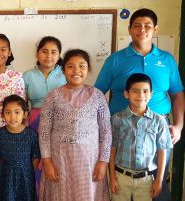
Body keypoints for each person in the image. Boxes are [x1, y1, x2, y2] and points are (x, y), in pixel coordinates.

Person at [95, 8, 184, 201]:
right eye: (137, 25)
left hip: (159, 128)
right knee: (120, 184)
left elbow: (177, 94)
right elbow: (97, 94)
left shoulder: (167, 60)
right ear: (129, 29)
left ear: (155, 30)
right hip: (120, 128)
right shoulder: (115, 60)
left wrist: (178, 126)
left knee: (157, 183)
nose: (142, 30)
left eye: (147, 26)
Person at [39, 49, 112, 201]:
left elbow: (106, 131)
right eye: (71, 66)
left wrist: (103, 161)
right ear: (63, 70)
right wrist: (47, 160)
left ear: (88, 69)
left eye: (82, 66)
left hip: (89, 162)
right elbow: (44, 131)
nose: (76, 71)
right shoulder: (53, 96)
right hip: (60, 160)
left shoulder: (97, 96)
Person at [110, 73, 173, 201]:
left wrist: (159, 180)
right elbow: (112, 149)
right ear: (126, 94)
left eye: (145, 91)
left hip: (146, 180)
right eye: (135, 91)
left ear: (150, 94)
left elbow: (162, 151)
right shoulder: (117, 119)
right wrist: (111, 177)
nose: (141, 95)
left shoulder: (159, 121)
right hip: (121, 177)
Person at [23, 36, 66, 194]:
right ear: (37, 54)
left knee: (57, 158)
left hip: (61, 122)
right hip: (35, 122)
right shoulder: (27, 76)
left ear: (59, 54)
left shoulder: (66, 73)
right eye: (44, 51)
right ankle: (37, 193)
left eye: (54, 52)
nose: (49, 56)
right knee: (37, 160)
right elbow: (23, 103)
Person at [0, 94, 40, 201]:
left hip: (25, 176)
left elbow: (36, 157)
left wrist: (26, 169)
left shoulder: (31, 134)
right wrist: (8, 166)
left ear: (25, 114)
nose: (12, 117)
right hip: (5, 175)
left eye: (17, 112)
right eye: (8, 112)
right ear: (2, 115)